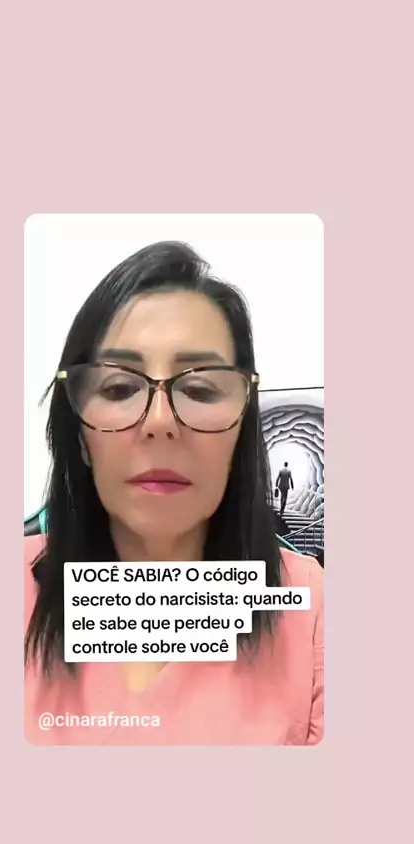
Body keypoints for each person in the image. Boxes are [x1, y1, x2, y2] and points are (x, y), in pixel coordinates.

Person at [24, 240, 324, 746]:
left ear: (241, 429)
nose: (160, 422)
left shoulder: (312, 606)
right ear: (79, 435)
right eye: (119, 389)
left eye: (200, 389)